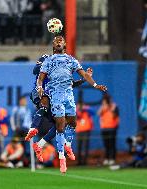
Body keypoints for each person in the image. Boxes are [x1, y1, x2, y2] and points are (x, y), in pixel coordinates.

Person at [37, 35, 107, 173]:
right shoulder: (48, 61)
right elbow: (40, 79)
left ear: (65, 45)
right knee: (60, 125)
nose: (58, 42)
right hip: (55, 95)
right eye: (56, 41)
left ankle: (67, 145)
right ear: (53, 45)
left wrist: (95, 84)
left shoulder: (71, 60)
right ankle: (62, 159)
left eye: (61, 40)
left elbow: (84, 75)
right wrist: (39, 87)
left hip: (68, 95)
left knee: (73, 123)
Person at [26, 54, 93, 163]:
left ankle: (39, 144)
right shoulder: (46, 59)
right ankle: (32, 129)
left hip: (52, 96)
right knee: (44, 106)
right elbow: (35, 70)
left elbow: (71, 84)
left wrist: (84, 79)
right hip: (39, 92)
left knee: (61, 124)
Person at [98, 94, 119, 166]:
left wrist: (111, 109)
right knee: (106, 145)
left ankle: (112, 159)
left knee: (112, 144)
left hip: (112, 128)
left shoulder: (114, 106)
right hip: (104, 128)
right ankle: (107, 159)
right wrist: (103, 107)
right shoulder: (103, 107)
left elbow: (115, 116)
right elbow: (98, 114)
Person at [76, 100, 94, 166]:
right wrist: (78, 109)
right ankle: (79, 162)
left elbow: (93, 112)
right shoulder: (76, 111)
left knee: (85, 147)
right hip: (79, 131)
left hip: (86, 131)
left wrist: (85, 108)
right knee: (79, 147)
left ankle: (85, 161)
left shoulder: (87, 111)